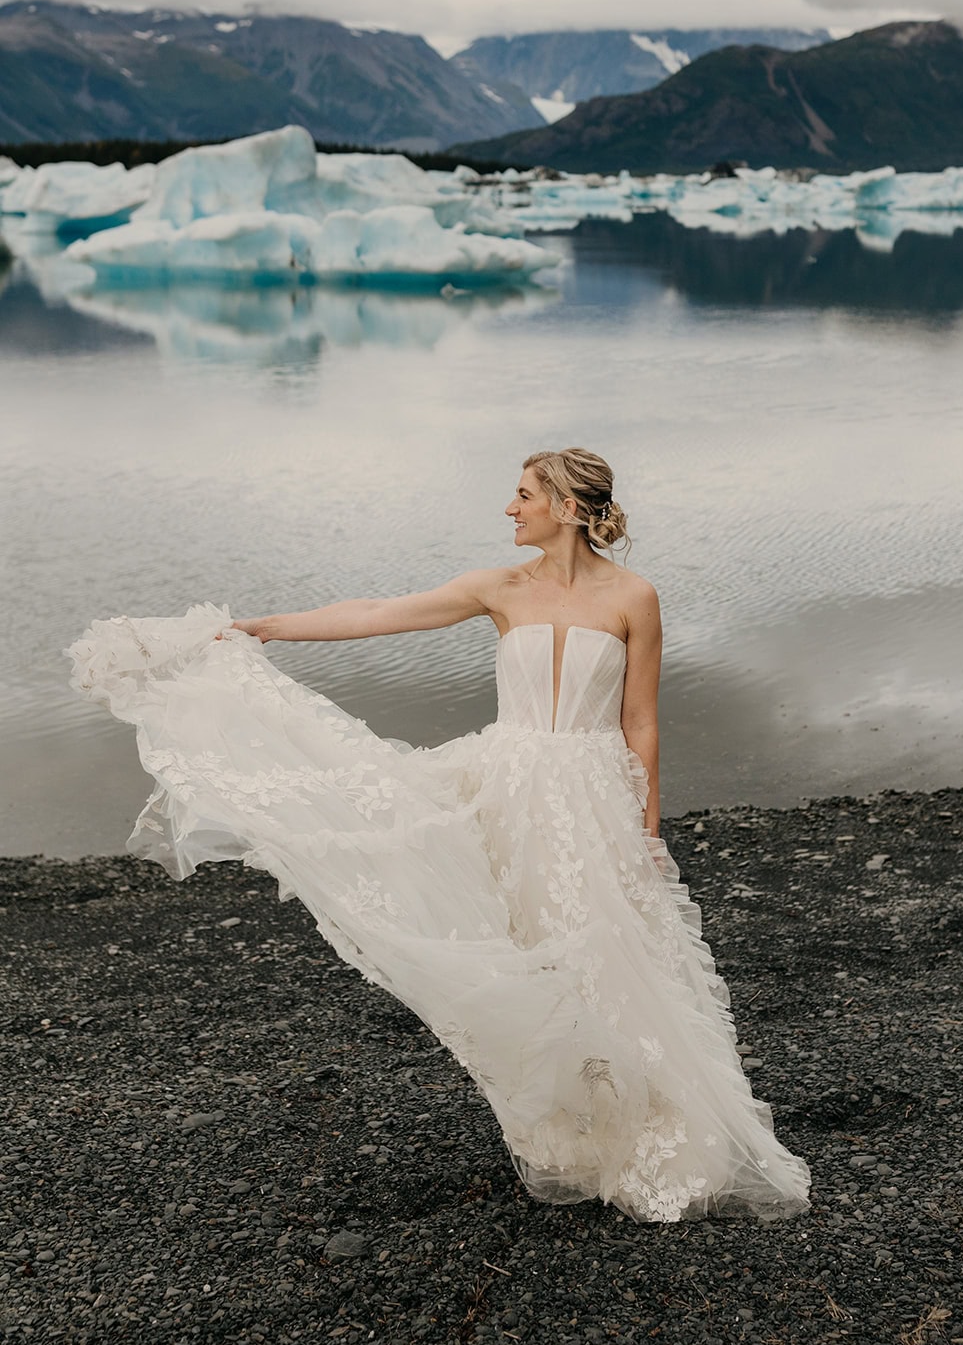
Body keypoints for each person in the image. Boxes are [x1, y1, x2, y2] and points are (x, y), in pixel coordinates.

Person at [67, 447, 810, 1225]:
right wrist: (264, 628)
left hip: (593, 795)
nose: (509, 508)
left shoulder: (634, 597)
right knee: (530, 947)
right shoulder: (497, 588)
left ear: (563, 506)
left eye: (522, 495)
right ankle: (575, 1128)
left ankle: (647, 1128)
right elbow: (374, 614)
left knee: (612, 952)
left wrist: (646, 825)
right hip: (508, 782)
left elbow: (640, 720)